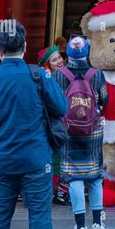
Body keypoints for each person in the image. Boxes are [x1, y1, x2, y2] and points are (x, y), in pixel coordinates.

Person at [0, 20, 67, 229]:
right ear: (25, 47)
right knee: (40, 215)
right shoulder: (40, 75)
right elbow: (61, 108)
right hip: (36, 157)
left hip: (1, 159)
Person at [53, 35, 108, 229]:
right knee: (94, 177)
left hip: (69, 130)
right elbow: (104, 99)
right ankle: (98, 224)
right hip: (93, 129)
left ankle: (79, 226)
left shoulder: (59, 74)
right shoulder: (96, 73)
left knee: (74, 177)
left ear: (67, 53)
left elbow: (56, 103)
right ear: (86, 53)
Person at [37, 45, 69, 206]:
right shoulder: (46, 78)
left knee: (64, 158)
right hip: (51, 125)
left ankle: (62, 192)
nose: (59, 61)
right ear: (47, 63)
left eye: (59, 57)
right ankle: (52, 192)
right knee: (54, 158)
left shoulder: (67, 75)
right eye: (54, 59)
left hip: (65, 124)